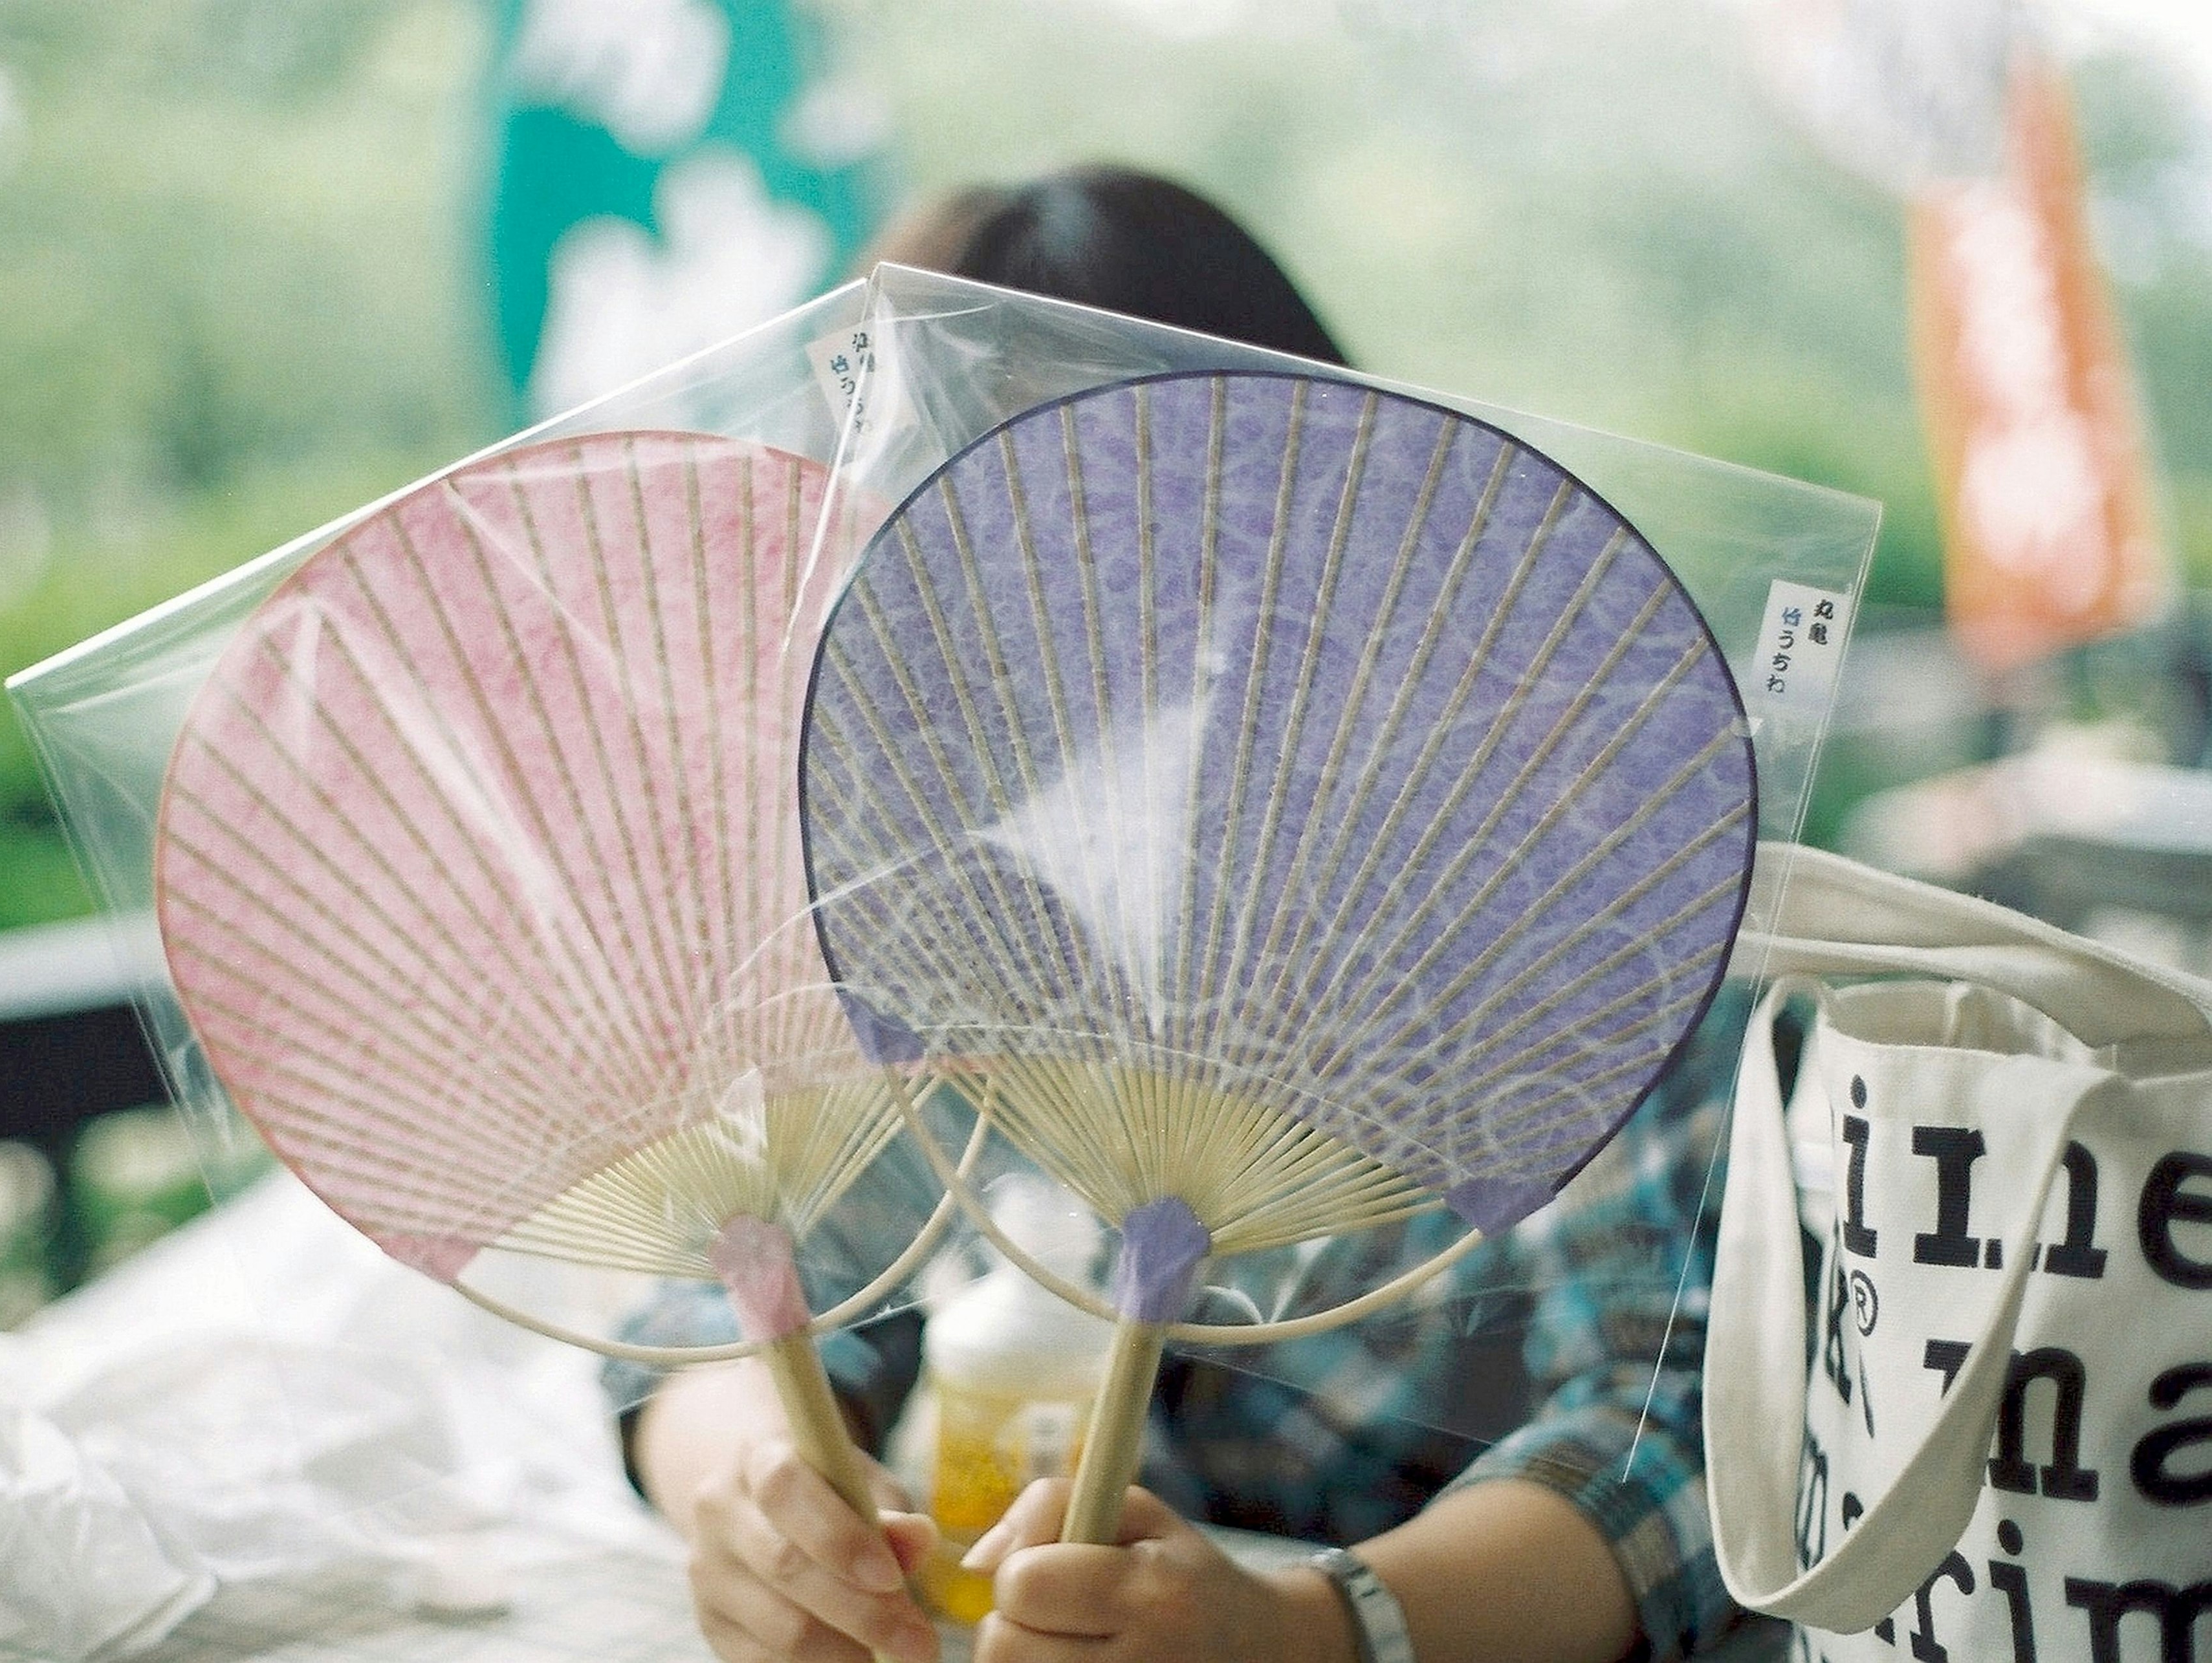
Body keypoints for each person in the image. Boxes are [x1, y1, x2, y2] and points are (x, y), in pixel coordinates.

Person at [609, 165, 1742, 1663]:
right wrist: (751, 1500)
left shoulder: (1572, 894)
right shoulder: (922, 897)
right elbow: (724, 1299)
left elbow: (1682, 1438)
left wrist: (1313, 1634)